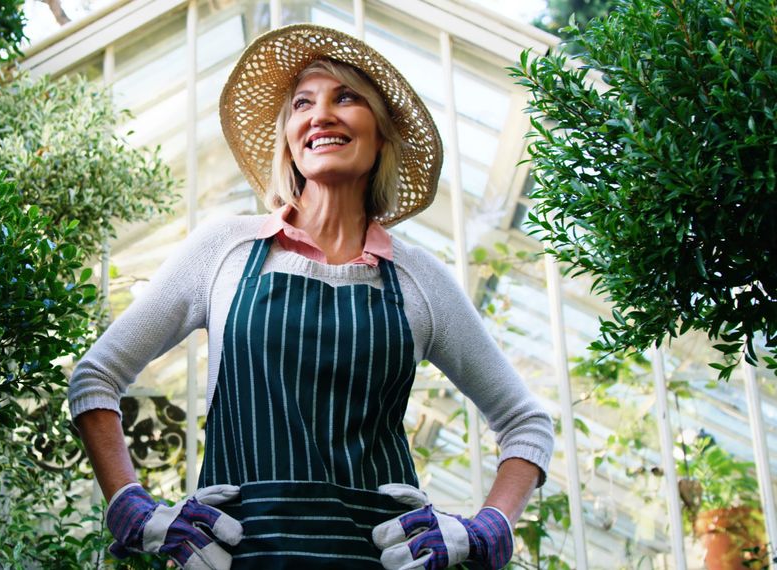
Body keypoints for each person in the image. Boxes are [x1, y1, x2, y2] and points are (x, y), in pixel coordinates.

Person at [70, 24, 554, 569]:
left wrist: (487, 531)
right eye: (303, 104)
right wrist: (132, 511)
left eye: (345, 98)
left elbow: (526, 423)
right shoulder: (224, 250)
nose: (321, 114)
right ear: (289, 140)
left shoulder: (419, 278)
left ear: (382, 135)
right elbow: (95, 378)